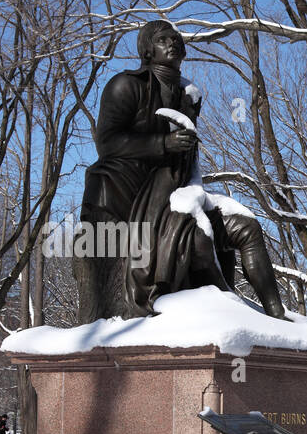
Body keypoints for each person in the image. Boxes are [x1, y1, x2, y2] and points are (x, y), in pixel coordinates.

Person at [77, 19, 286, 323]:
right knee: (200, 240)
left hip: (177, 193)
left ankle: (277, 316)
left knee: (248, 229)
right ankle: (221, 307)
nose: (173, 42)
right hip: (129, 195)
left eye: (175, 38)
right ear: (147, 51)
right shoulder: (125, 85)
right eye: (163, 39)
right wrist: (163, 143)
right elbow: (106, 143)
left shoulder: (188, 97)